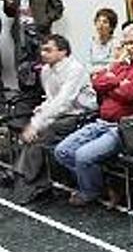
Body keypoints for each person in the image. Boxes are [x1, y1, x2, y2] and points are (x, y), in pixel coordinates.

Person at [54, 24, 133, 206]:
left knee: (83, 156)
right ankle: (107, 186)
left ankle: (90, 192)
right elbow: (97, 82)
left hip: (129, 128)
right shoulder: (122, 65)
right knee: (62, 151)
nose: (130, 47)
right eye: (127, 43)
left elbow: (131, 93)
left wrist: (111, 84)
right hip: (102, 122)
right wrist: (118, 82)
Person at [11, 35, 97, 204]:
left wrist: (37, 124)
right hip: (60, 114)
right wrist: (39, 116)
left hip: (80, 115)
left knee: (40, 133)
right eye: (42, 50)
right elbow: (51, 99)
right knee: (33, 132)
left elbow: (64, 101)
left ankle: (27, 180)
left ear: (63, 51)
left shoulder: (75, 69)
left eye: (48, 50)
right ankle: (30, 180)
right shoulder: (46, 70)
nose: (43, 54)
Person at [3, 0, 64, 75]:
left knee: (45, 62)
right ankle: (27, 93)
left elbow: (58, 8)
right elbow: (9, 13)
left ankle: (46, 91)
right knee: (23, 65)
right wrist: (8, 5)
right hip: (20, 31)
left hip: (40, 30)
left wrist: (45, 20)